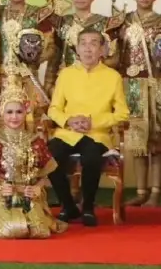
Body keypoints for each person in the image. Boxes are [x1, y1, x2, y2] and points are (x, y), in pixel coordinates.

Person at [46, 28, 129, 226]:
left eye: (93, 43)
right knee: (48, 156)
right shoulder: (66, 74)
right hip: (67, 132)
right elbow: (53, 109)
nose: (88, 48)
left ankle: (89, 207)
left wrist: (95, 122)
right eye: (83, 43)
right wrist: (69, 120)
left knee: (91, 156)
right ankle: (68, 205)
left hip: (97, 134)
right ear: (77, 49)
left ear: (102, 50)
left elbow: (122, 113)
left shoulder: (112, 76)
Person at [0, 73, 66, 239]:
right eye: (10, 112)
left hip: (28, 194)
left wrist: (37, 188)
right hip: (1, 194)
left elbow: (44, 175)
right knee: (12, 230)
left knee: (39, 231)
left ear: (25, 112)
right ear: (2, 113)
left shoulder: (35, 140)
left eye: (19, 112)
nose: (14, 117)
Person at [118, 0, 161, 207]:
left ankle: (156, 192)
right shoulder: (122, 21)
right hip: (133, 86)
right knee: (137, 142)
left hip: (157, 84)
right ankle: (141, 191)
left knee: (156, 140)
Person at [0, 0, 56, 100]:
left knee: (31, 116)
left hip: (28, 76)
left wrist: (32, 59)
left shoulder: (39, 14)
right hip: (1, 78)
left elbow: (50, 48)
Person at [53, 0, 122, 71]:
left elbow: (112, 57)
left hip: (96, 76)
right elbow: (54, 56)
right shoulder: (62, 21)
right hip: (67, 76)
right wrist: (50, 82)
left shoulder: (105, 23)